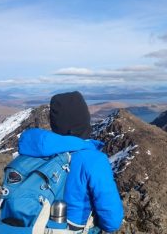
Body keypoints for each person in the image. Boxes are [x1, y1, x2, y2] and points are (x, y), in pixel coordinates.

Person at [18, 91, 123, 232]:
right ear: (84, 121)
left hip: (29, 226)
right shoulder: (93, 160)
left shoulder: (31, 152)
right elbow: (112, 221)